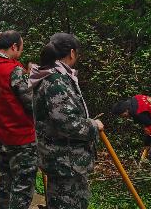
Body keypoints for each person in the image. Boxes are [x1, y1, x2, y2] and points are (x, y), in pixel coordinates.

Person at [29, 33, 104, 209]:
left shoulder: (52, 75)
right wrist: (93, 126)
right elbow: (68, 124)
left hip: (63, 159)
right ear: (72, 53)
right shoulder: (55, 81)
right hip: (65, 161)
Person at [0, 30, 37, 209]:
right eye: (21, 46)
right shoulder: (15, 71)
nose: (21, 50)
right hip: (21, 139)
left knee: (5, 183)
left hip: (2, 134)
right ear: (14, 46)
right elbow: (32, 105)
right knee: (22, 188)